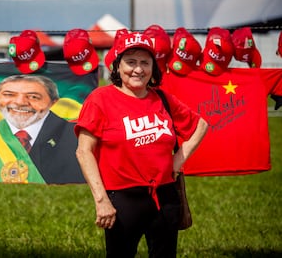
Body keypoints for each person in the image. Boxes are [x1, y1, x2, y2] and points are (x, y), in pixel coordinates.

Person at [75, 32, 208, 258]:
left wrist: (178, 160)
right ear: (117, 66)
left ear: (153, 68)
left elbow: (201, 125)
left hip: (165, 198)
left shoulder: (162, 99)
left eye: (145, 62)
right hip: (123, 200)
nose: (138, 69)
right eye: (131, 62)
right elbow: (83, 151)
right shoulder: (100, 99)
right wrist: (102, 200)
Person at [0, 74, 85, 184]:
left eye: (33, 97)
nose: (20, 102)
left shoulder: (78, 137)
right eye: (9, 95)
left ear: (53, 102)